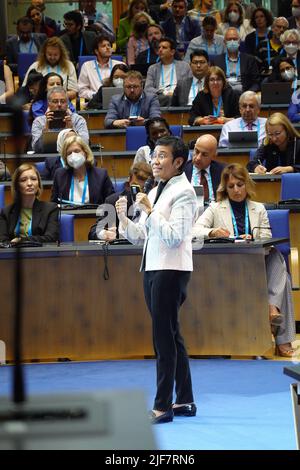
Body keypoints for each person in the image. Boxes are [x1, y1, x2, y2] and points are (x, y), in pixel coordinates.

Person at [116, 136, 198, 424]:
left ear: (178, 162)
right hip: (153, 267)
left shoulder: (185, 192)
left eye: (162, 156)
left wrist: (149, 211)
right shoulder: (157, 189)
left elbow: (174, 237)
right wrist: (123, 220)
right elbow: (141, 235)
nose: (155, 161)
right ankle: (185, 400)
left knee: (163, 339)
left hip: (171, 270)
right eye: (154, 156)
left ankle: (162, 405)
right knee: (172, 335)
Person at [193, 163, 296, 357]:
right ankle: (280, 333)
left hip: (256, 262)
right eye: (231, 186)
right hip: (227, 266)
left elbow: (266, 235)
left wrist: (255, 239)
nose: (236, 190)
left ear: (246, 185)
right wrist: (213, 231)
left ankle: (272, 308)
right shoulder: (215, 208)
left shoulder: (258, 209)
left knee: (276, 256)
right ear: (225, 188)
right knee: (285, 279)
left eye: (240, 185)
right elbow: (194, 230)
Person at [88, 161, 153, 240]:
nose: (140, 192)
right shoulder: (113, 201)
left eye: (144, 188)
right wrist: (103, 234)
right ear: (129, 182)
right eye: (136, 187)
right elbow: (94, 231)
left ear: (153, 185)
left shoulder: (157, 201)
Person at [0, 163, 59, 244]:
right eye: (23, 180)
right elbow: (2, 240)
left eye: (34, 179)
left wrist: (21, 240)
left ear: (38, 184)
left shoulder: (50, 209)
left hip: (41, 254)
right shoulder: (6, 212)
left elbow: (51, 237)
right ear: (17, 185)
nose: (30, 183)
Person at [51, 135, 114, 205]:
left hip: (94, 215)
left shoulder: (101, 175)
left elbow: (110, 203)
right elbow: (54, 204)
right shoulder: (59, 175)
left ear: (85, 152)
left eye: (77, 151)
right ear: (65, 157)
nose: (73, 155)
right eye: (69, 153)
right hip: (67, 215)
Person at [31, 86, 89, 152]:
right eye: (55, 101)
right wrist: (45, 131)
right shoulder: (39, 121)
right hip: (46, 158)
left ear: (67, 103)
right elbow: (36, 149)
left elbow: (85, 145)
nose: (59, 104)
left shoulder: (78, 120)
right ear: (49, 104)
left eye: (63, 101)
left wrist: (72, 131)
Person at [22, 36, 78, 100]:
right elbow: (25, 89)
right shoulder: (35, 66)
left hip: (62, 101)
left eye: (56, 55)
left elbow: (73, 92)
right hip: (39, 101)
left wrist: (57, 97)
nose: (52, 57)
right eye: (49, 54)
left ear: (61, 54)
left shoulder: (69, 66)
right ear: (44, 53)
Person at [211, 28, 260, 93]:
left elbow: (256, 82)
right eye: (229, 39)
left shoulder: (250, 60)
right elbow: (212, 81)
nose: (232, 41)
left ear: (239, 41)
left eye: (235, 39)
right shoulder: (216, 61)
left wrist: (248, 94)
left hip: (244, 95)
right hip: (223, 94)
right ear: (224, 42)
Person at [144, 37, 192, 106]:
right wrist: (163, 92)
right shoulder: (153, 68)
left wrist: (175, 93)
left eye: (164, 47)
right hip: (160, 98)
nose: (160, 50)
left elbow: (189, 85)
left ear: (172, 52)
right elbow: (148, 89)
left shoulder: (184, 66)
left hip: (179, 97)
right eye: (159, 47)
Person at [78, 35, 125, 102]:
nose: (108, 48)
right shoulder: (87, 66)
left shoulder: (120, 65)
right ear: (96, 51)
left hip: (118, 102)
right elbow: (81, 91)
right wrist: (97, 96)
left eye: (109, 45)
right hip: (95, 103)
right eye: (103, 46)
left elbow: (127, 86)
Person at [184, 134, 225, 203]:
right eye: (196, 151)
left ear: (214, 156)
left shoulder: (223, 171)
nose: (198, 158)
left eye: (204, 155)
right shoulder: (181, 170)